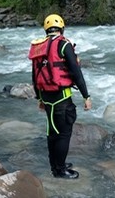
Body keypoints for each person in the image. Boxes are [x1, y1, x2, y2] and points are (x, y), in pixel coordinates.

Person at [29, 14, 91, 179]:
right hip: (62, 97)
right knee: (63, 133)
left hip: (46, 96)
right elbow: (76, 73)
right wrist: (86, 96)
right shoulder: (64, 45)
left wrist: (39, 99)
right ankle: (60, 170)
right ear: (61, 28)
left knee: (52, 132)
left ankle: (55, 166)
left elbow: (34, 76)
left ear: (46, 29)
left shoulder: (39, 46)